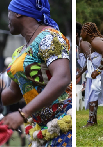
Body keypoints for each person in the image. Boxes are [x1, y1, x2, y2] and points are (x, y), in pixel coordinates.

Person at [1, 0, 72, 146]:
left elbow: (62, 77)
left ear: (19, 12)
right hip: (42, 129)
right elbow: (13, 93)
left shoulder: (49, 37)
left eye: (9, 12)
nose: (8, 17)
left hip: (65, 123)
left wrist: (23, 113)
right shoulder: (20, 53)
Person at [76, 22, 102, 128]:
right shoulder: (80, 43)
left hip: (94, 73)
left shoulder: (83, 43)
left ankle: (91, 121)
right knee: (91, 96)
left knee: (92, 96)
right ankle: (93, 120)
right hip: (90, 74)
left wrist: (80, 73)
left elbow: (90, 60)